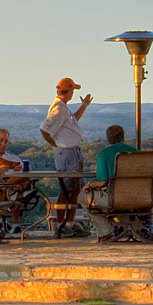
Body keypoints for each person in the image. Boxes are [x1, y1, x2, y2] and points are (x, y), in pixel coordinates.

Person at [39, 77, 92, 237]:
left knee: (73, 190)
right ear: (68, 90)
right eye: (73, 90)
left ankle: (69, 223)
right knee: (67, 190)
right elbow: (44, 129)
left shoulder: (62, 108)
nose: (73, 94)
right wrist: (56, 144)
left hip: (71, 152)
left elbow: (72, 120)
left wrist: (83, 106)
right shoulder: (59, 109)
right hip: (67, 153)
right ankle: (63, 226)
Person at [80, 125, 137, 240]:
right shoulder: (135, 152)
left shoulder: (104, 153)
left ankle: (106, 231)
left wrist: (89, 185)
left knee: (82, 197)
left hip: (114, 198)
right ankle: (126, 226)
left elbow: (102, 182)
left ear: (108, 138)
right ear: (123, 137)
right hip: (138, 197)